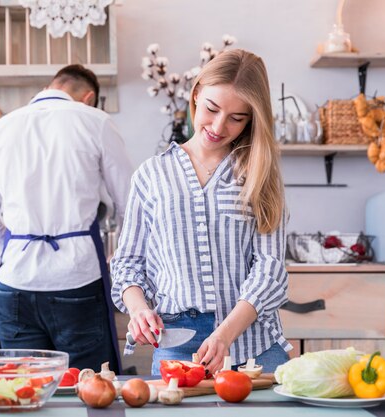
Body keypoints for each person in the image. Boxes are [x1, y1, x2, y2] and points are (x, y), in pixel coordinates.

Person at [110, 49, 291, 376]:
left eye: (237, 118)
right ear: (196, 95)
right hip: (177, 341)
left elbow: (270, 269)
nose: (219, 126)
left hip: (254, 345)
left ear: (252, 119)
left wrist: (224, 335)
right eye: (212, 108)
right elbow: (128, 264)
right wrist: (138, 311)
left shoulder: (260, 174)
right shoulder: (152, 175)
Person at [0, 64, 134, 373]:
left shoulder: (1, 128)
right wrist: (121, 257)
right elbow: (133, 206)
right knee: (89, 391)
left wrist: (13, 253)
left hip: (15, 282)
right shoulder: (95, 121)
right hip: (78, 279)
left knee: (24, 394)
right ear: (89, 98)